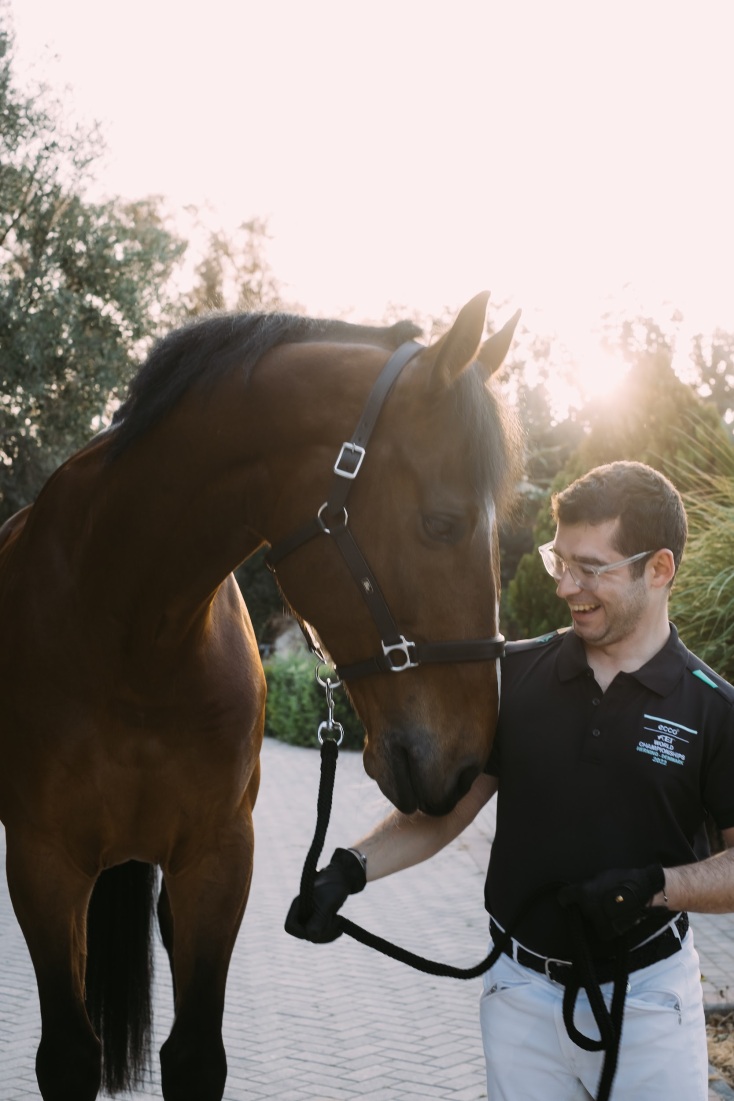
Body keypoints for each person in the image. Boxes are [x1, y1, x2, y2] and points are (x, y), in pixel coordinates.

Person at [286, 460, 734, 1101]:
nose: (566, 586)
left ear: (657, 569)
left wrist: (657, 888)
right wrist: (349, 871)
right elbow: (448, 812)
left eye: (591, 568)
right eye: (561, 562)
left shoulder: (713, 710)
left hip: (650, 1007)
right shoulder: (516, 678)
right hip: (519, 998)